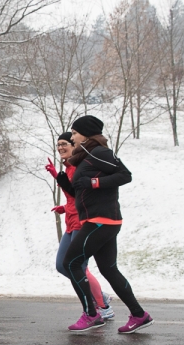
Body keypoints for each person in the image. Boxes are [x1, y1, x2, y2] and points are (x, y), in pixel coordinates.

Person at [61, 115, 153, 333]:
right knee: (108, 269)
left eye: (74, 133)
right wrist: (63, 180)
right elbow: (80, 191)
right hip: (100, 220)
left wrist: (94, 182)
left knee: (71, 263)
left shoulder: (99, 152)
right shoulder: (86, 156)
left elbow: (125, 175)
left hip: (101, 221)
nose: (72, 137)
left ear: (86, 133)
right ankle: (140, 315)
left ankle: (92, 314)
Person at [45, 132, 114, 320]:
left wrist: (58, 178)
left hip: (83, 222)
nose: (60, 147)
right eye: (58, 144)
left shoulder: (78, 167)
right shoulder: (69, 168)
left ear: (74, 145)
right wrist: (64, 207)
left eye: (65, 143)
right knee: (62, 265)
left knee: (80, 267)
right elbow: (72, 196)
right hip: (71, 221)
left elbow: (81, 195)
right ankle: (98, 295)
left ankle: (102, 305)